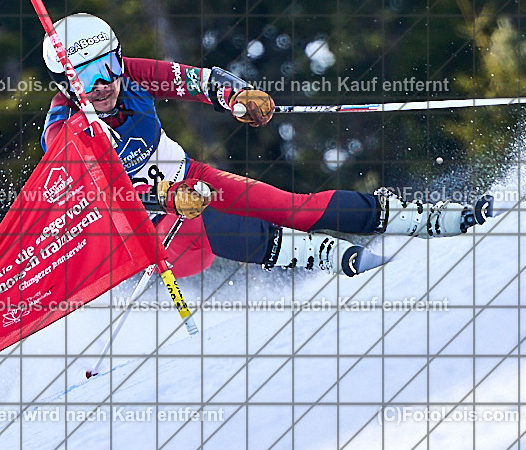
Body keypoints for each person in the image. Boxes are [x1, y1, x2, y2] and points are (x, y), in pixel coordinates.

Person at [41, 14, 492, 279]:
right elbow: (101, 195)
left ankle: (417, 218)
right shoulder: (65, 133)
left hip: (190, 178)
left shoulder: (131, 76)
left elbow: (198, 81)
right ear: (65, 83)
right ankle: (322, 255)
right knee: (203, 222)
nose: (104, 83)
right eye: (87, 76)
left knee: (290, 206)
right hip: (149, 226)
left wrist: (238, 96)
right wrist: (163, 196)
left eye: (108, 65)